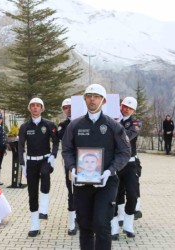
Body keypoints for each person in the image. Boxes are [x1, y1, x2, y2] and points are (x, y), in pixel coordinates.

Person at [62, 84, 131, 250]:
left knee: (101, 224)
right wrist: (72, 168)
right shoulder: (75, 125)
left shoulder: (113, 126)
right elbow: (67, 150)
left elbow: (125, 152)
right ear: (84, 99)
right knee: (84, 225)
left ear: (104, 100)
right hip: (81, 183)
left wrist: (110, 170)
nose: (92, 99)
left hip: (106, 183)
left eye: (96, 96)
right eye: (89, 96)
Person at [18, 97, 59, 237]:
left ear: (42, 108)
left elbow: (55, 141)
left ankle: (44, 209)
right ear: (29, 108)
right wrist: (22, 164)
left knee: (45, 175)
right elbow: (20, 146)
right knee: (32, 193)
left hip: (45, 160)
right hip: (31, 162)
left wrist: (53, 155)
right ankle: (35, 225)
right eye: (33, 106)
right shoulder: (24, 127)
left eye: (38, 106)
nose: (35, 108)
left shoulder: (49, 124)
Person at [111, 97, 141, 240]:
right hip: (116, 163)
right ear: (120, 106)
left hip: (130, 164)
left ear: (133, 110)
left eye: (129, 108)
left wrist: (115, 128)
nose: (126, 109)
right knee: (114, 196)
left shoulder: (135, 122)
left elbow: (129, 135)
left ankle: (128, 225)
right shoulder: (113, 119)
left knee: (132, 195)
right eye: (124, 106)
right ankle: (114, 226)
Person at [57, 98, 77, 236]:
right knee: (71, 191)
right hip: (70, 162)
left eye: (70, 106)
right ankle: (72, 223)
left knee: (84, 192)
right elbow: (62, 138)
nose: (68, 109)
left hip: (86, 162)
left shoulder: (84, 121)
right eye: (65, 107)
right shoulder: (63, 125)